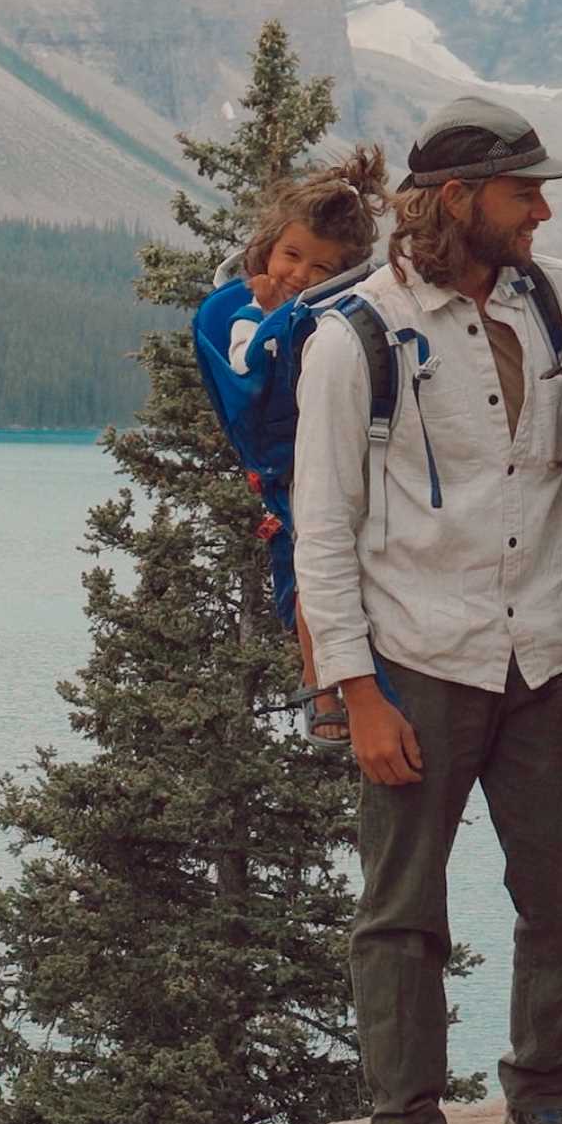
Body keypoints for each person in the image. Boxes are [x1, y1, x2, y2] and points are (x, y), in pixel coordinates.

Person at [293, 97, 562, 1124]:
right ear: (454, 201)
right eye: (521, 190)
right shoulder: (356, 337)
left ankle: (541, 1099)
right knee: (401, 909)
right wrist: (356, 691)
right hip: (420, 662)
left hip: (557, 652)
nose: (541, 208)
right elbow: (323, 525)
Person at [227, 146, 388, 745]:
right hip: (294, 467)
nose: (299, 275)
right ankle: (324, 686)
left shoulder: (346, 317)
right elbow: (247, 369)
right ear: (267, 249)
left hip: (347, 455)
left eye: (320, 269)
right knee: (309, 572)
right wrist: (265, 316)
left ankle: (346, 681)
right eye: (291, 255)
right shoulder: (250, 313)